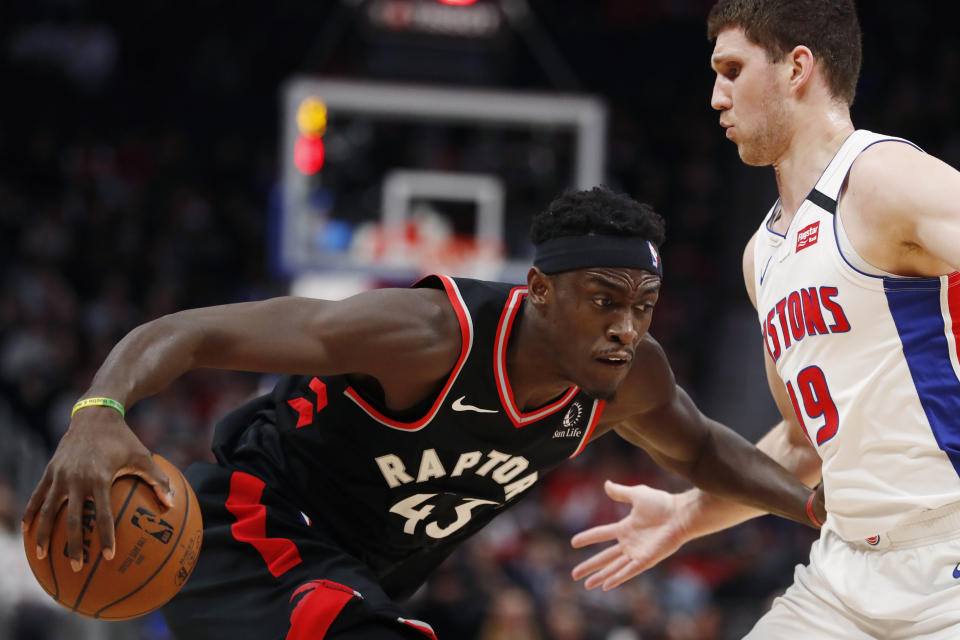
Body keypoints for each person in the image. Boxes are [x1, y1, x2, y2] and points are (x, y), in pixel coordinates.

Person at [21, 186, 824, 640]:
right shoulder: (426, 337)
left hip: (357, 578)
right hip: (253, 532)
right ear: (540, 293)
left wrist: (816, 507)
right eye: (604, 301)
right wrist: (99, 409)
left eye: (644, 305)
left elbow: (704, 453)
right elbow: (191, 333)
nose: (626, 325)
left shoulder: (628, 377)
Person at [571, 2, 960, 638]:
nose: (716, 96)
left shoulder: (882, 178)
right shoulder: (763, 254)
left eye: (732, 70)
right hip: (845, 570)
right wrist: (685, 514)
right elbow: (803, 441)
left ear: (796, 68)